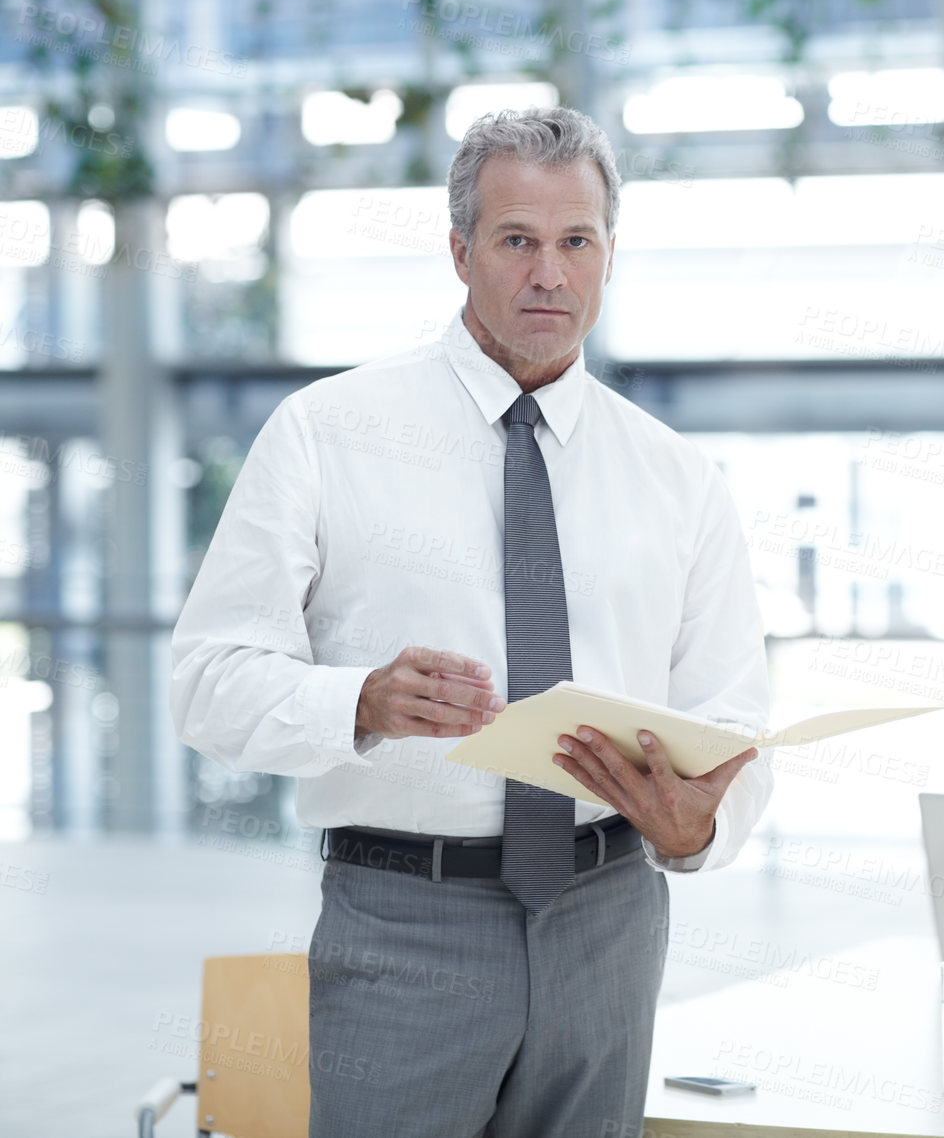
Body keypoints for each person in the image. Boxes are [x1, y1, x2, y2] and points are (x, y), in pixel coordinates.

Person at [171, 107, 772, 1137]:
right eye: (517, 241)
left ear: (609, 254)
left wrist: (704, 824)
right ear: (459, 251)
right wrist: (354, 697)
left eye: (576, 241)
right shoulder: (328, 432)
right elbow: (206, 680)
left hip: (611, 917)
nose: (550, 273)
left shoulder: (677, 475)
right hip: (406, 919)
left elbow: (733, 709)